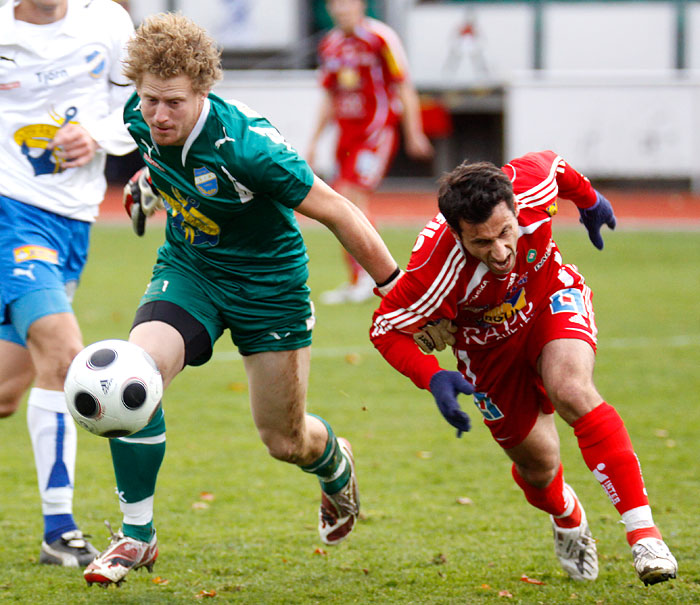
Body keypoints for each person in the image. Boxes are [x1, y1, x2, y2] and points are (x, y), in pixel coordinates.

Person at [82, 12, 403, 587]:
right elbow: (169, 166)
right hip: (191, 270)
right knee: (135, 374)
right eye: (150, 99)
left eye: (173, 102)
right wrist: (147, 185)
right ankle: (137, 534)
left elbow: (337, 209)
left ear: (203, 90)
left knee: (284, 440)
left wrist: (396, 292)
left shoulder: (251, 147)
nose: (158, 114)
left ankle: (335, 463)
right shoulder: (140, 117)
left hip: (269, 288)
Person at [370, 151, 678, 586]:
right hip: (487, 352)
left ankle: (645, 536)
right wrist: (433, 376)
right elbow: (385, 328)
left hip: (550, 299)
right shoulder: (432, 269)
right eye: (481, 243)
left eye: (505, 232)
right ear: (457, 235)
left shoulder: (529, 185)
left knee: (571, 389)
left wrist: (590, 201)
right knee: (540, 466)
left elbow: (556, 166)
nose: (499, 251)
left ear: (515, 208)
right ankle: (567, 516)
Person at [0, 0, 135, 566]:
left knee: (7, 393)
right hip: (12, 214)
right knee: (64, 352)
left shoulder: (107, 21)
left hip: (74, 220)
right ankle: (60, 532)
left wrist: (99, 137)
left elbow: (136, 108)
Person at [307, 0, 434, 305]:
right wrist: (314, 141)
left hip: (376, 132)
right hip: (346, 136)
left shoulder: (381, 38)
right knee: (343, 200)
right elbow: (330, 95)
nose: (341, 9)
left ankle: (369, 278)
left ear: (361, 5)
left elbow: (403, 84)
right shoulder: (330, 44)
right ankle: (361, 278)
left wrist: (413, 131)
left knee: (350, 197)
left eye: (347, 3)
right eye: (335, 4)